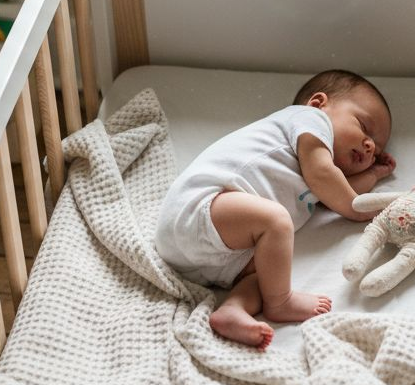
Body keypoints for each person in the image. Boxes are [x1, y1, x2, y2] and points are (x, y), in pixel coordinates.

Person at [153, 69, 395, 350]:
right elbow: (326, 179)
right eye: (364, 127)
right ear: (319, 103)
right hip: (200, 208)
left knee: (267, 270)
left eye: (375, 150)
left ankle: (233, 310)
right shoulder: (308, 120)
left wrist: (375, 174)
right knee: (276, 221)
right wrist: (360, 211)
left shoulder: (321, 174)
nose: (369, 146)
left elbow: (334, 190)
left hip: (212, 255)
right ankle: (279, 301)